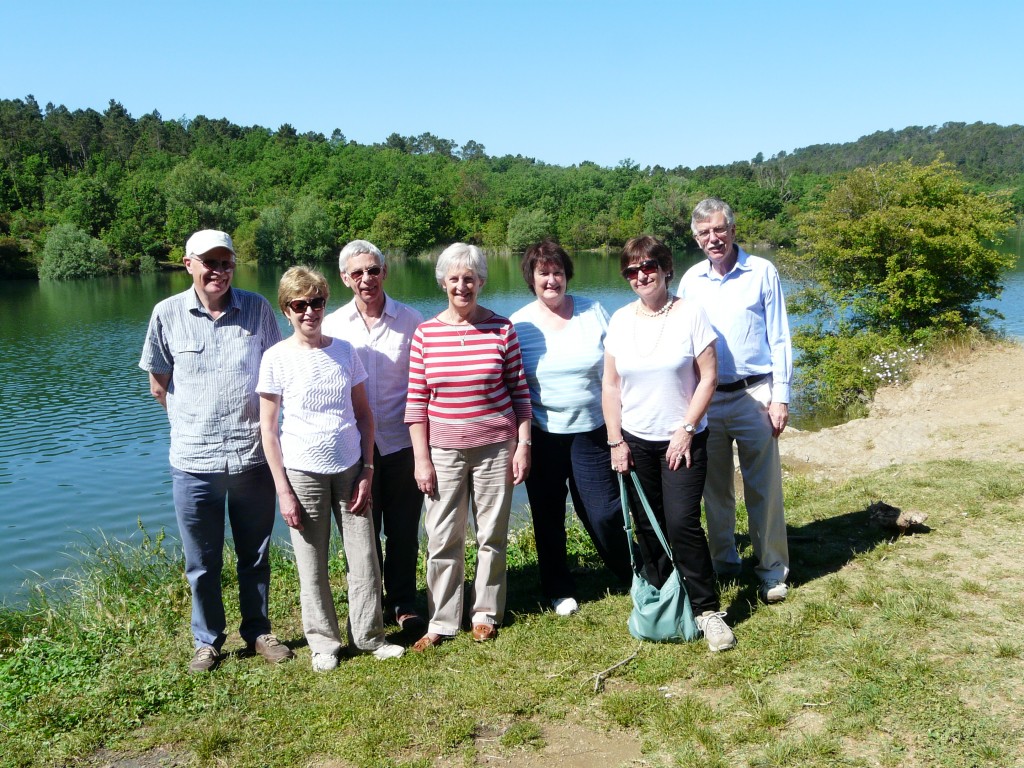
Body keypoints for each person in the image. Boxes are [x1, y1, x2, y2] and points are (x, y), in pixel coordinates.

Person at [139, 229, 294, 673]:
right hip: (194, 462)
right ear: (188, 264)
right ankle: (207, 641)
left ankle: (259, 630)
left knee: (257, 554)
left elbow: (277, 372)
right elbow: (158, 384)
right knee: (201, 562)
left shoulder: (259, 309)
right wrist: (192, 422)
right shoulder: (166, 313)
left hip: (252, 457)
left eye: (225, 263)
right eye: (208, 262)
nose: (218, 271)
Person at [258, 266, 404, 671]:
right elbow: (268, 431)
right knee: (312, 562)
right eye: (299, 305)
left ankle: (370, 636)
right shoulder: (275, 358)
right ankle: (324, 643)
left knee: (364, 558)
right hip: (303, 474)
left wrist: (368, 468)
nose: (309, 311)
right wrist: (283, 490)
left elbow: (364, 415)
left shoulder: (344, 351)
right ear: (286, 310)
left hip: (351, 469)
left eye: (317, 302)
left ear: (324, 302)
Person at [602, 235, 736, 652]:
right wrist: (615, 440)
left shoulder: (691, 313)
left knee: (681, 522)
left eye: (648, 267)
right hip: (636, 439)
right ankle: (661, 599)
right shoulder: (621, 320)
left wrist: (686, 429)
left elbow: (709, 377)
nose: (641, 275)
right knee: (647, 523)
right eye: (632, 270)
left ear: (665, 268)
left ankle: (707, 610)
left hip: (683, 439)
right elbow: (610, 385)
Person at [404, 243, 532, 650]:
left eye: (470, 278)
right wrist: (421, 460)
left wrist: (523, 443)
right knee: (442, 537)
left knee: (491, 533)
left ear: (481, 281)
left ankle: (485, 612)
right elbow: (415, 403)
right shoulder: (425, 334)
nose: (463, 285)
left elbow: (520, 392)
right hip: (443, 451)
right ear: (443, 282)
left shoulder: (502, 329)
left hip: (496, 445)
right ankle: (441, 620)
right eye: (455, 278)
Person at [677, 198, 793, 604]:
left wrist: (780, 396)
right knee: (716, 489)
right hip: (708, 398)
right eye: (704, 233)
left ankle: (772, 569)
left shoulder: (762, 271)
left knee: (763, 487)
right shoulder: (690, 281)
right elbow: (684, 342)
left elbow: (780, 337)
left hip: (754, 393)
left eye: (720, 229)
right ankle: (725, 562)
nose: (714, 238)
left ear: (732, 230)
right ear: (695, 238)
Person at [509, 240, 633, 615]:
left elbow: (618, 370)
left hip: (592, 430)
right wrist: (520, 441)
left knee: (604, 511)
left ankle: (631, 571)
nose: (552, 280)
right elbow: (513, 387)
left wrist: (621, 428)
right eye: (543, 273)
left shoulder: (594, 311)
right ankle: (558, 587)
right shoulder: (518, 324)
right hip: (543, 434)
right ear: (532, 279)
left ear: (567, 275)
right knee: (548, 516)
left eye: (558, 272)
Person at [322, 240, 426, 633]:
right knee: (361, 535)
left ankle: (403, 603)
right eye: (358, 272)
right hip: (352, 448)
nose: (367, 279)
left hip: (402, 442)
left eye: (373, 270)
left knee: (402, 531)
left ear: (385, 272)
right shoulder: (331, 326)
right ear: (345, 278)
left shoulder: (412, 319)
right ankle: (367, 606)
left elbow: (425, 384)